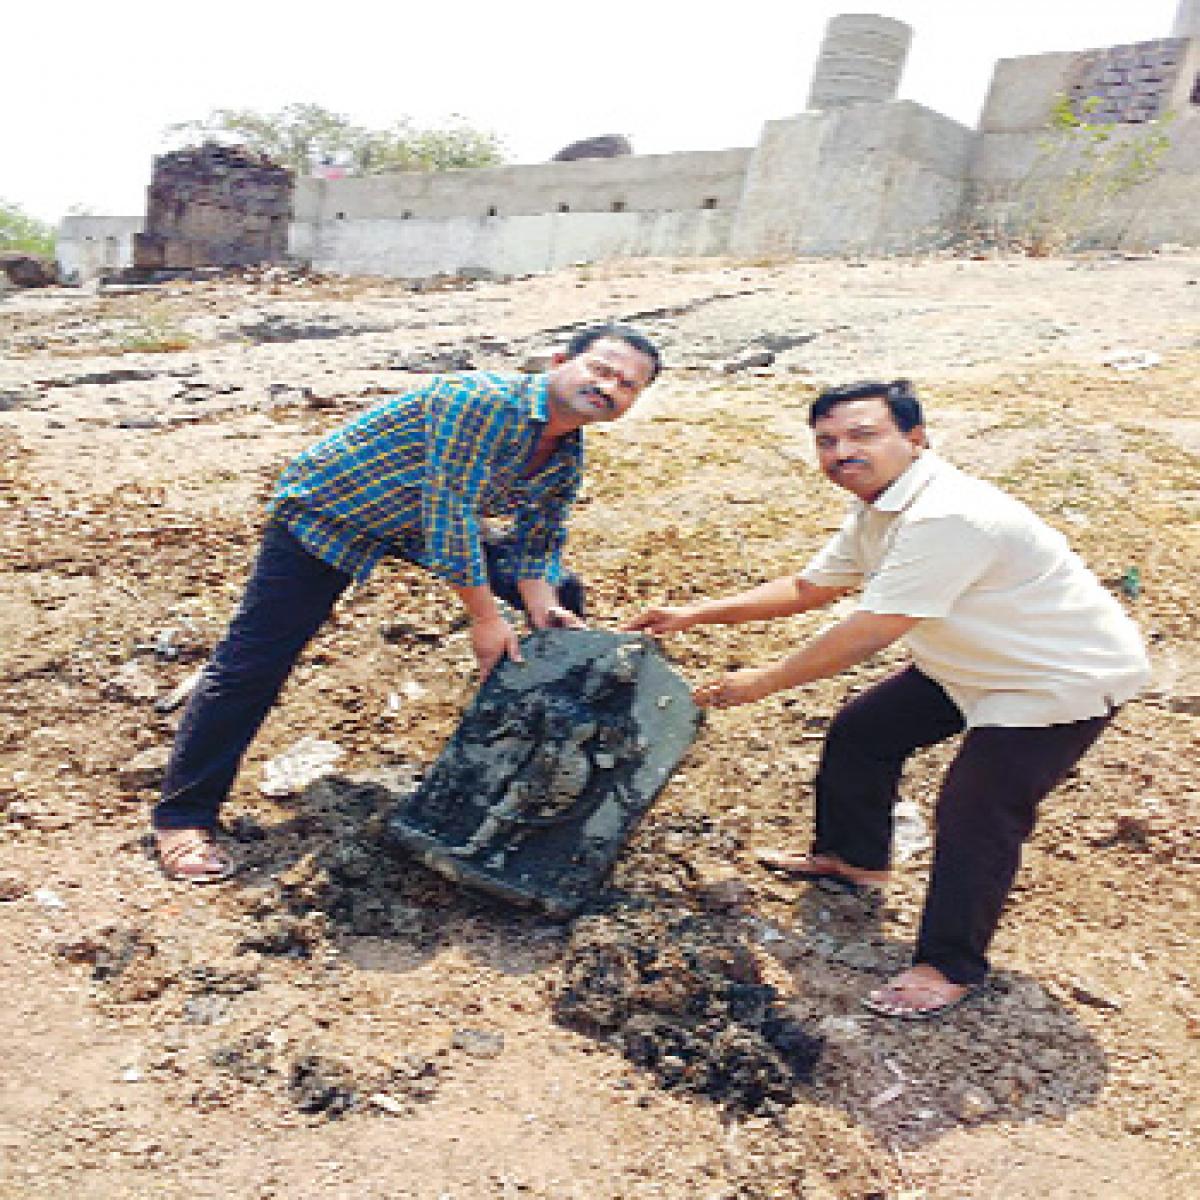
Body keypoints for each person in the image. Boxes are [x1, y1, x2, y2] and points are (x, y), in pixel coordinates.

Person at [626, 380, 1150, 1020]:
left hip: (1054, 677)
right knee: (863, 734)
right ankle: (854, 860)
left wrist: (762, 682)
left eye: (863, 435)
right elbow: (809, 585)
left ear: (915, 438)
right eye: (827, 441)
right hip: (972, 663)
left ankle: (949, 963)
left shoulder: (948, 515)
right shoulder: (880, 505)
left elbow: (873, 629)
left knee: (976, 807)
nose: (842, 451)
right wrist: (692, 614)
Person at [154, 324, 662, 882]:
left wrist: (541, 608)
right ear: (561, 359)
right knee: (255, 663)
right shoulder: (480, 400)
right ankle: (183, 818)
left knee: (560, 596)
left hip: (414, 527)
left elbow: (540, 536)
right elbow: (452, 514)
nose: (608, 387)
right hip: (333, 512)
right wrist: (486, 620)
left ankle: (517, 762)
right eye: (601, 370)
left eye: (627, 385)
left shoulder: (565, 452)